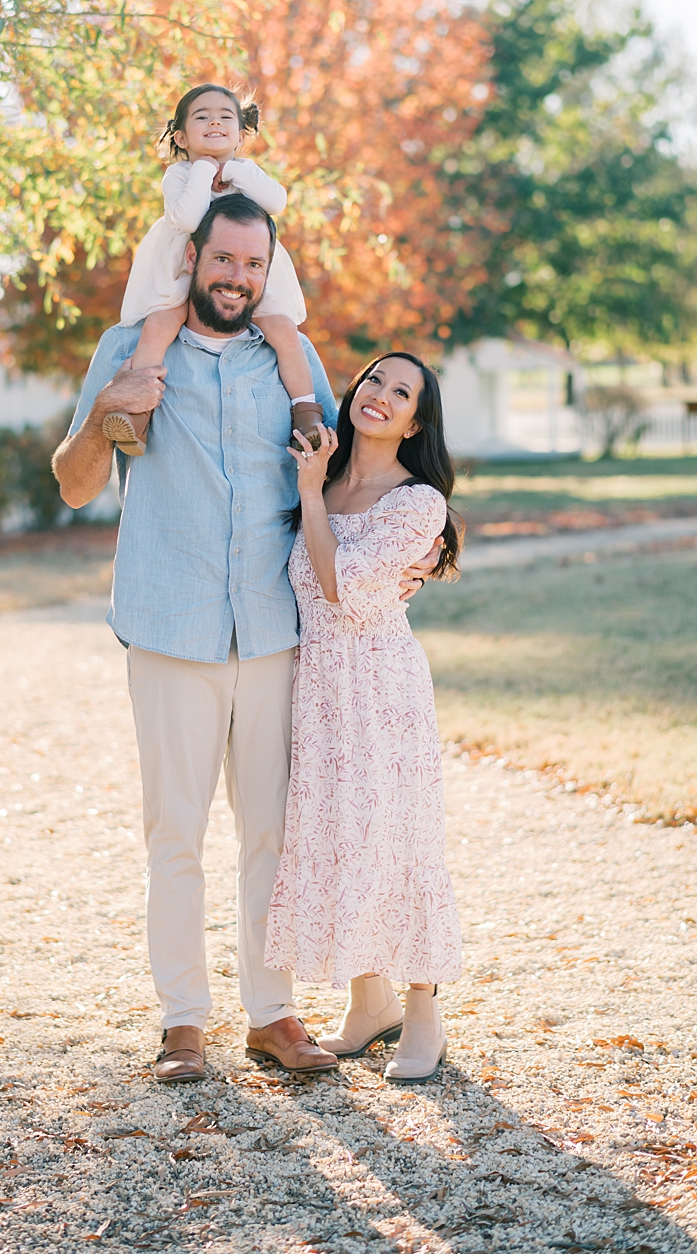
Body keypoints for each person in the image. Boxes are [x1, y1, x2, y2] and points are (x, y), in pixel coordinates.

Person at [52, 190, 437, 1084]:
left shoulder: (289, 360)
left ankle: (271, 1014)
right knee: (175, 836)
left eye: (253, 264)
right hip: (169, 627)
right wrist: (107, 406)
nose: (236, 276)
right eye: (222, 259)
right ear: (192, 259)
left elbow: (355, 466)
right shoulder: (131, 350)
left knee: (273, 836)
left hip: (272, 632)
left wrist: (432, 535)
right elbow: (73, 484)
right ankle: (183, 1022)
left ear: (269, 272)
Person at [264, 352, 465, 1084]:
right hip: (319, 688)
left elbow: (341, 588)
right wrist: (315, 487)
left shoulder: (418, 503)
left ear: (415, 423)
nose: (380, 395)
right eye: (374, 380)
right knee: (341, 838)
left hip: (382, 691)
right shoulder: (324, 475)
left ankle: (423, 1011)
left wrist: (310, 495)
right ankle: (369, 1000)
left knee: (399, 839)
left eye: (401, 393)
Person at [103, 83, 322, 455]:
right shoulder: (179, 174)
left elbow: (277, 202)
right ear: (181, 137)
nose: (214, 123)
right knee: (159, 325)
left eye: (225, 117)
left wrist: (234, 170)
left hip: (240, 269)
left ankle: (306, 414)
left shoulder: (246, 171)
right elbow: (188, 218)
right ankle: (136, 415)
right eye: (202, 117)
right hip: (183, 267)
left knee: (284, 332)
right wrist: (203, 169)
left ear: (240, 134)